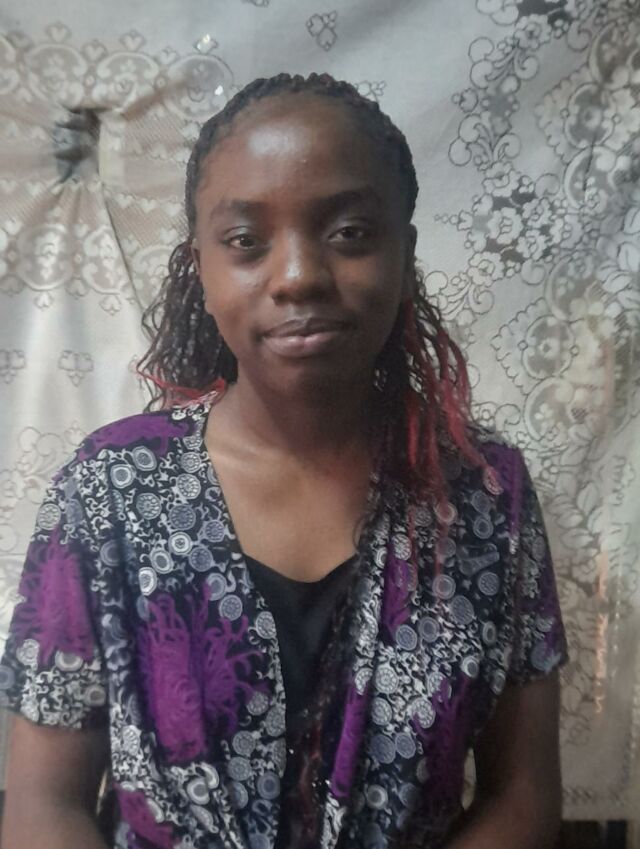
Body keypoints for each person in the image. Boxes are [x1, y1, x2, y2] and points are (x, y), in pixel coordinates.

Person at [0, 73, 567, 849]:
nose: (298, 275)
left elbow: (523, 791)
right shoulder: (108, 493)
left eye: (350, 232)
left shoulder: (486, 496)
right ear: (200, 268)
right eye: (245, 241)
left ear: (404, 254)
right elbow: (45, 801)